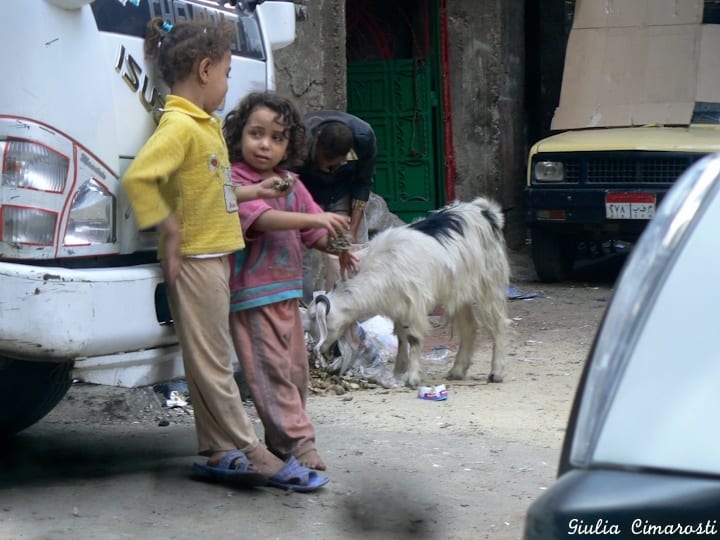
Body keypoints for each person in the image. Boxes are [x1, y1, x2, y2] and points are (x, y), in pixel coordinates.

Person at [122, 18, 327, 492]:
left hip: (215, 257)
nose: (230, 82)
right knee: (214, 362)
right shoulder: (179, 125)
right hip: (194, 259)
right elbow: (139, 179)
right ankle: (252, 449)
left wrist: (256, 189)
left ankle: (219, 449)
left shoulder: (202, 125)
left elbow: (211, 190)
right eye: (229, 72)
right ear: (205, 69)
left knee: (205, 358)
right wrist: (168, 227)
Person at [223, 91, 359, 471]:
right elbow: (261, 218)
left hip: (287, 295)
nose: (265, 144)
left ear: (289, 145)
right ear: (239, 136)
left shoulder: (292, 184)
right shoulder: (236, 181)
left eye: (276, 138)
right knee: (271, 372)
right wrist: (316, 220)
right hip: (252, 295)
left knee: (296, 373)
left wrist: (340, 247)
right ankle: (300, 443)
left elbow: (316, 235)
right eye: (256, 134)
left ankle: (281, 443)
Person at [294, 111, 376, 298]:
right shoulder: (299, 139)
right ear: (317, 140)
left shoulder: (364, 138)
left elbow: (363, 182)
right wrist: (310, 217)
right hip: (306, 195)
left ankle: (350, 310)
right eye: (323, 161)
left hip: (342, 192)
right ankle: (304, 311)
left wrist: (351, 231)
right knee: (300, 255)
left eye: (332, 164)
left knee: (352, 251)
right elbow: (290, 182)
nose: (326, 169)